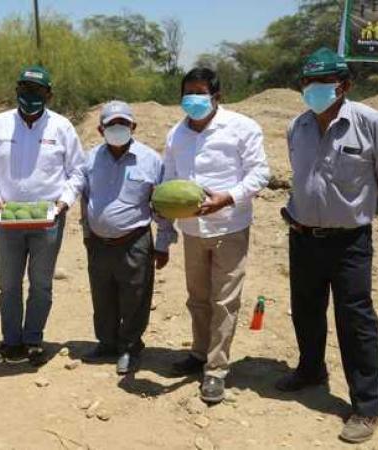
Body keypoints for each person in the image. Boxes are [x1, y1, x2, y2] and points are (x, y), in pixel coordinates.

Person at [275, 47, 378, 444]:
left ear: (344, 85)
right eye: (307, 83)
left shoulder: (370, 123)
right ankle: (311, 369)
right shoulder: (297, 126)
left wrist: (363, 213)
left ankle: (366, 407)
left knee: (356, 321)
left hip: (350, 242)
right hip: (303, 236)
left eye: (322, 83)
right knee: (306, 309)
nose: (312, 90)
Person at [163, 67, 270, 403]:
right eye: (187, 94)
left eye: (200, 93)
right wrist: (165, 226)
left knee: (224, 301)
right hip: (192, 230)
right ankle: (198, 354)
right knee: (197, 297)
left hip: (230, 227)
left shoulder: (242, 127)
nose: (193, 100)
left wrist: (229, 197)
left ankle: (216, 369)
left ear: (216, 96)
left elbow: (261, 172)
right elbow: (167, 180)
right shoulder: (175, 135)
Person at [0, 65, 86, 366]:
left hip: (48, 220)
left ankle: (34, 340)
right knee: (9, 284)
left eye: (37, 91)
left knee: (41, 284)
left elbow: (77, 171)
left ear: (49, 94)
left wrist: (62, 203)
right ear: (17, 91)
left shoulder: (62, 127)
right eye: (25, 89)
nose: (30, 96)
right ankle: (11, 341)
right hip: (9, 219)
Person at [80, 101, 176, 374]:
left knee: (135, 297)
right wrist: (87, 233)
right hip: (98, 243)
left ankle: (130, 348)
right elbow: (85, 198)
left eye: (123, 123)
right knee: (102, 296)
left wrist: (163, 244)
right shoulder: (90, 159)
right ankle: (107, 344)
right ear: (101, 129)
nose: (118, 129)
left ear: (134, 127)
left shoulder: (150, 160)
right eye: (111, 124)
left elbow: (162, 204)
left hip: (134, 242)